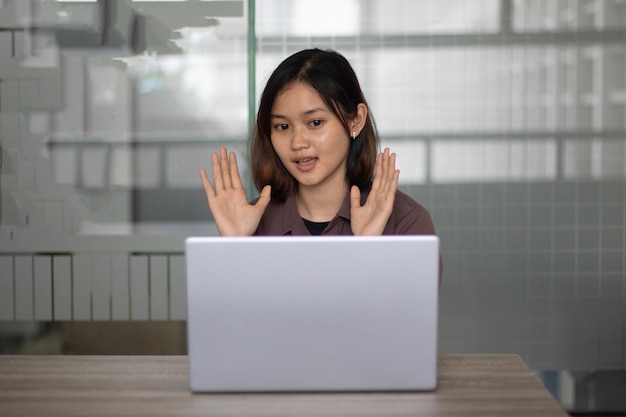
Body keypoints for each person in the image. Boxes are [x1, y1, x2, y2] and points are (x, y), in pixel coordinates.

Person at [200, 48, 438, 242]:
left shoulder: (407, 221)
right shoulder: (252, 223)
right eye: (282, 127)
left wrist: (368, 247)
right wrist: (234, 247)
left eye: (315, 122)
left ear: (356, 120)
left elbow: (408, 302)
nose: (298, 142)